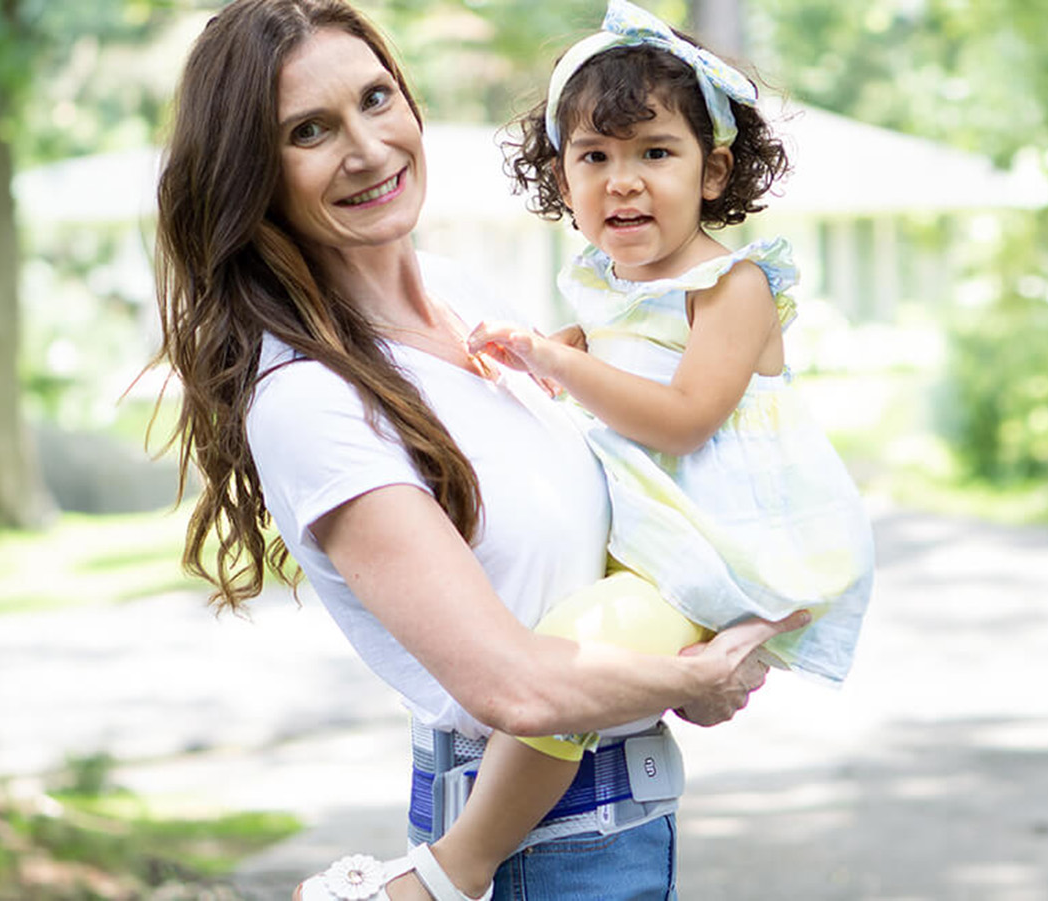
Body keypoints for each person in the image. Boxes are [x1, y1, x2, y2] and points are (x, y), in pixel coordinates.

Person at [149, 1, 808, 899]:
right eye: (310, 131)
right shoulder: (310, 397)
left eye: (377, 99)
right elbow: (517, 687)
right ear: (254, 176)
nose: (368, 148)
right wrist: (692, 673)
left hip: (620, 829)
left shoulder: (465, 300)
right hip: (531, 857)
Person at [393, 0, 877, 895]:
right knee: (549, 638)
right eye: (595, 157)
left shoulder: (732, 288)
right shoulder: (609, 289)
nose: (624, 181)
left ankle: (460, 863)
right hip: (651, 543)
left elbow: (685, 416)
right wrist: (536, 360)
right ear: (561, 177)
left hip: (709, 550)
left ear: (712, 168)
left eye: (656, 153)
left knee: (572, 655)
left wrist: (552, 357)